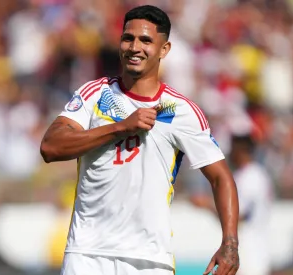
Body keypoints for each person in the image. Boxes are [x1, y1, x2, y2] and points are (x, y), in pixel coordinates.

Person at [40, 5, 240, 275]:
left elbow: (221, 177)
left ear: (164, 49)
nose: (135, 47)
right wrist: (120, 128)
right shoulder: (94, 94)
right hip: (87, 254)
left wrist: (230, 243)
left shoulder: (179, 110)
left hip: (148, 259)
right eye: (128, 38)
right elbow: (51, 147)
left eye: (146, 40)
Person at [228, 135, 273, 275]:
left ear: (240, 151)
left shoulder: (250, 177)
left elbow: (238, 215)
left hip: (250, 251)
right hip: (252, 249)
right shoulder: (254, 174)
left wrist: (206, 205)